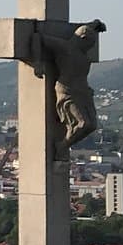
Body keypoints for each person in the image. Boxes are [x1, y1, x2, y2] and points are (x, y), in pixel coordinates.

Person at [34, 19, 106, 159]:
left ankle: (64, 144)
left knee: (92, 125)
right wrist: (37, 63)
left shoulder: (82, 53)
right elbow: (38, 38)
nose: (91, 47)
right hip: (68, 90)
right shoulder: (65, 47)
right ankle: (62, 146)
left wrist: (94, 24)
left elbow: (84, 31)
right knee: (83, 123)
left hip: (83, 92)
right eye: (90, 43)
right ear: (82, 39)